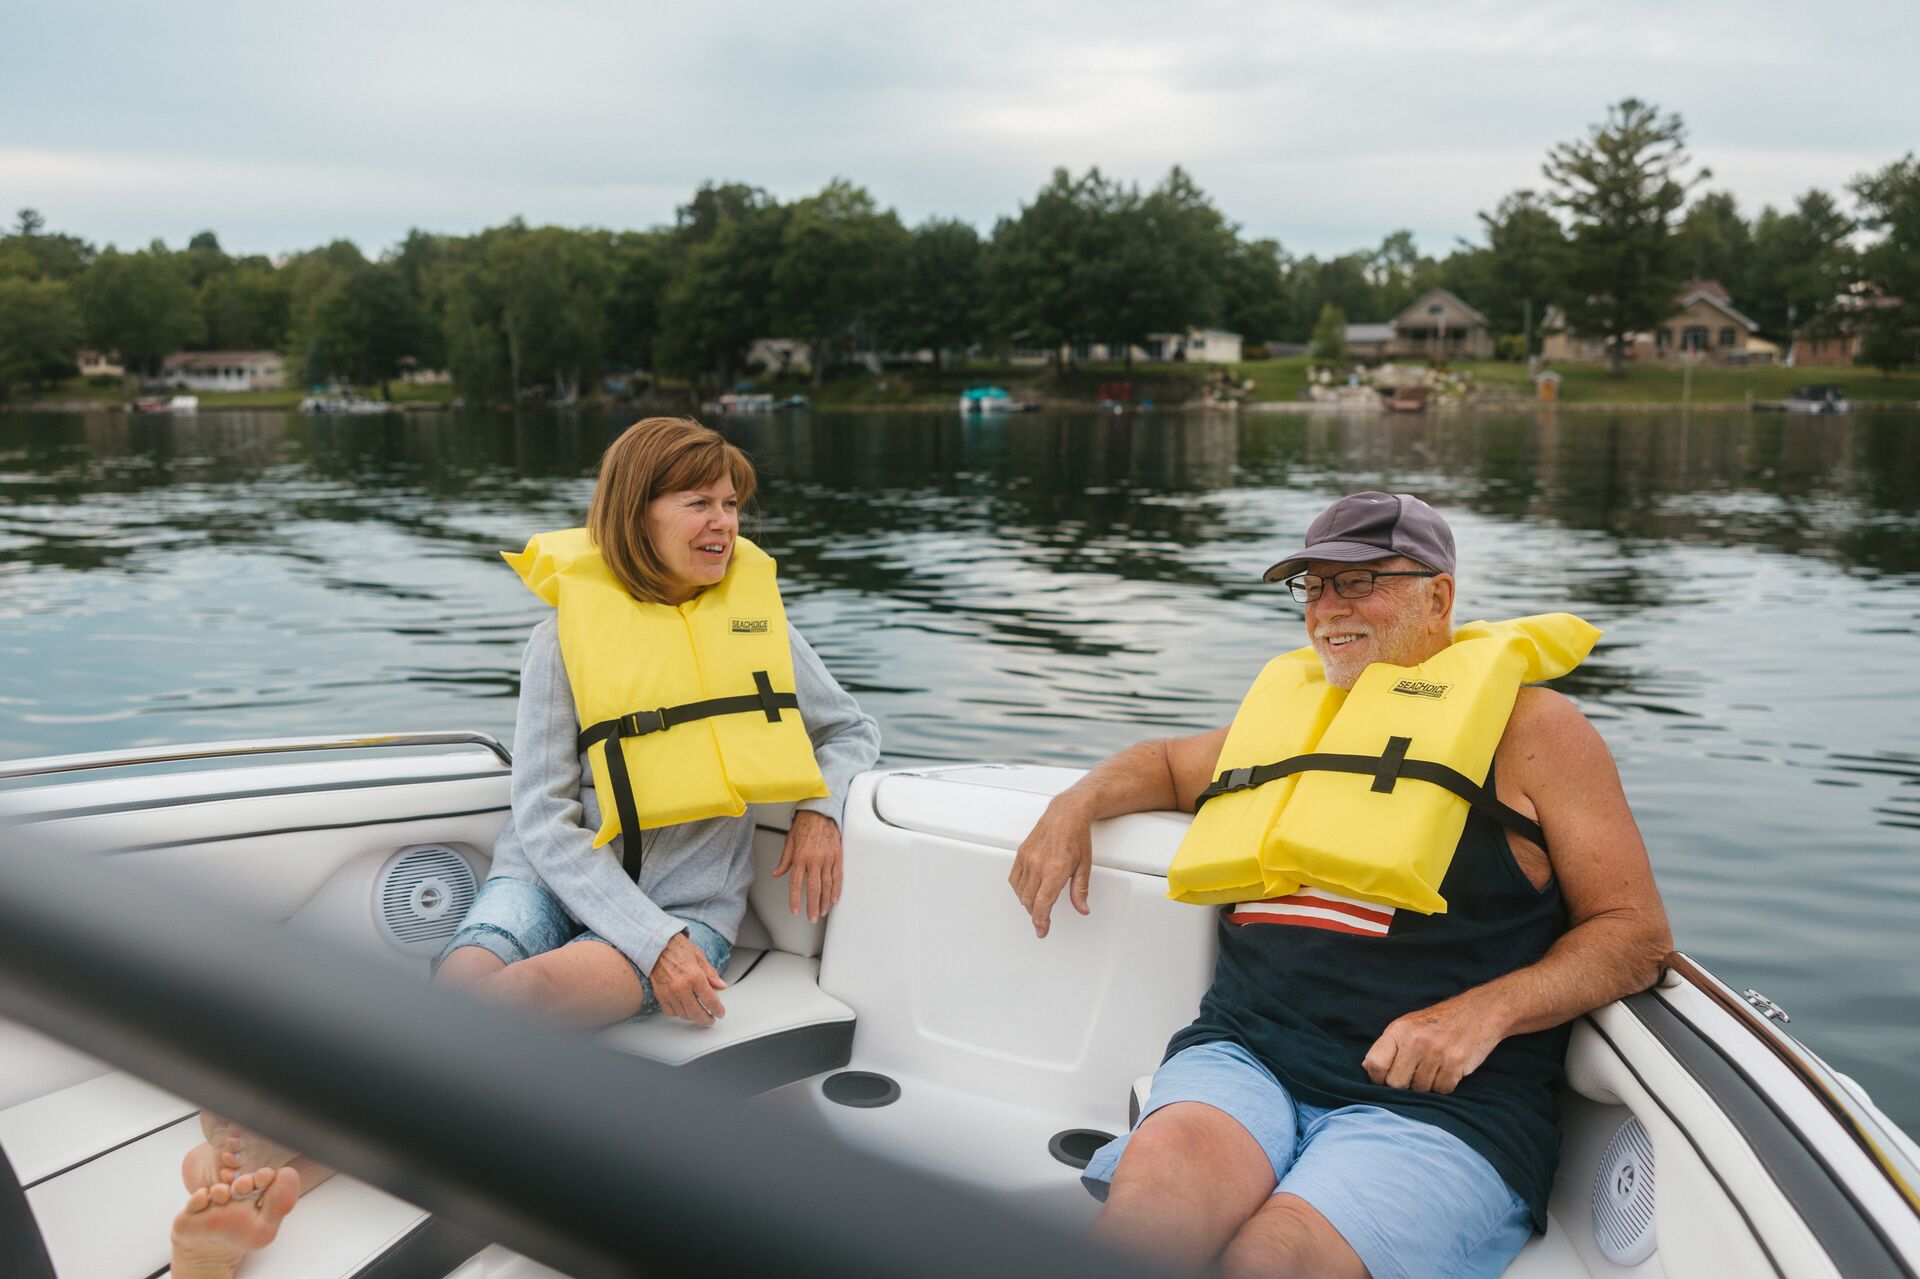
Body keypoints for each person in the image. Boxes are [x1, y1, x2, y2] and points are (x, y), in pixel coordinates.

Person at [168, 416, 881, 1276]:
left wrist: (818, 809)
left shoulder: (761, 628)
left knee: (521, 997)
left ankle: (275, 1152)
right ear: (636, 512)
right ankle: (273, 1157)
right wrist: (642, 938)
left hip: (684, 912)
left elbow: (849, 727)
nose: (724, 523)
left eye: (731, 503)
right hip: (545, 876)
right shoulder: (561, 639)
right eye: (698, 502)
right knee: (464, 998)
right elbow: (543, 818)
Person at [1009, 491, 1671, 1279]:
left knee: (1274, 1258)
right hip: (1247, 1055)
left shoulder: (1536, 731)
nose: (1327, 608)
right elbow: (1160, 764)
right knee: (1146, 1219)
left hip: (1439, 1105)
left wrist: (1480, 1013)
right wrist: (1074, 802)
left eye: (1359, 581)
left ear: (1440, 597)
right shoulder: (1300, 717)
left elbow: (1635, 931)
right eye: (1313, 584)